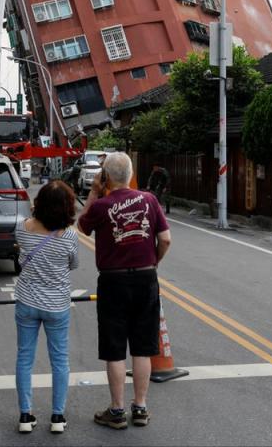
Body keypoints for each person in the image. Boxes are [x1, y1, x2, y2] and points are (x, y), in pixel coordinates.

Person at [78, 152, 171, 430]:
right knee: (143, 347)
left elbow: (81, 227)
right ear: (131, 174)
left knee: (115, 348)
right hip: (146, 278)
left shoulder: (102, 205)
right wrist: (153, 260)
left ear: (105, 176)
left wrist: (94, 191)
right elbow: (165, 239)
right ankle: (140, 408)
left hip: (113, 281)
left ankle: (117, 411)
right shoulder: (150, 200)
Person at [14, 180, 79, 434]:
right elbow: (73, 265)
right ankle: (57, 417)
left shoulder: (23, 228)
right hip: (57, 305)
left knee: (24, 358)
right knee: (60, 360)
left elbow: (21, 256)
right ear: (67, 207)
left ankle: (25, 415)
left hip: (27, 302)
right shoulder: (70, 235)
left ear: (38, 203)